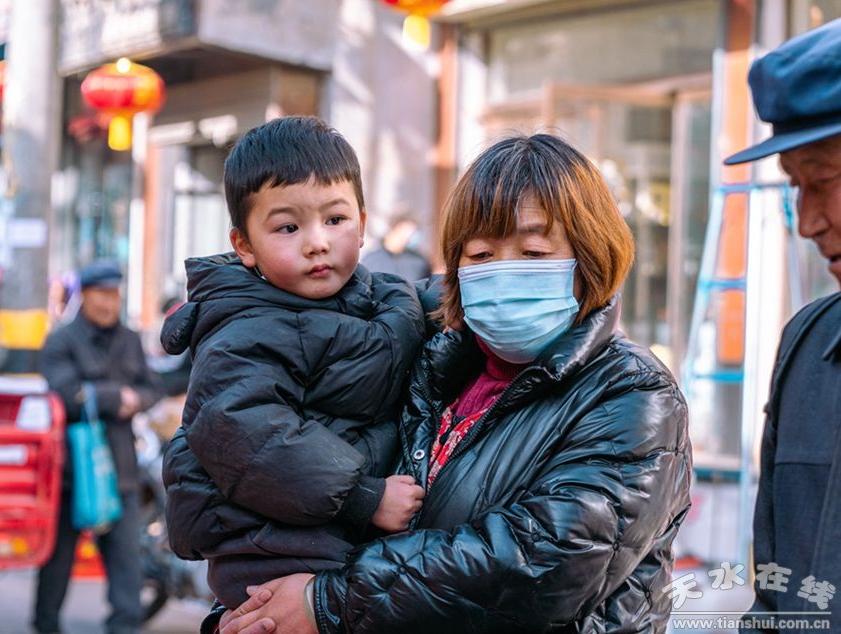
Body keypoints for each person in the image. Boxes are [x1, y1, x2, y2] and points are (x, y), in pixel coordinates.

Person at [218, 133, 693, 634]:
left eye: (533, 252)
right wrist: (255, 607)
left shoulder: (632, 393)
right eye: (481, 254)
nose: (504, 273)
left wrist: (328, 602)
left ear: (590, 257)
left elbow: (545, 560)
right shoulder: (421, 357)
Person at [160, 116, 427, 623]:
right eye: (288, 227)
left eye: (335, 219)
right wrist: (364, 497)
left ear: (363, 223)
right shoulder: (247, 328)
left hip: (322, 535)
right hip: (275, 551)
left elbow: (416, 310)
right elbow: (247, 430)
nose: (317, 242)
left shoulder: (376, 297)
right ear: (244, 246)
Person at [722, 20, 841, 632]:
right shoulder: (807, 345)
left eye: (823, 181)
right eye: (796, 186)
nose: (808, 221)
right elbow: (773, 599)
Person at [33, 260, 162, 634]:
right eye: (102, 295)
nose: (109, 303)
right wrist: (116, 397)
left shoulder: (129, 338)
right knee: (58, 560)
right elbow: (64, 393)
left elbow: (152, 388)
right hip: (71, 470)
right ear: (84, 296)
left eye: (114, 295)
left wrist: (136, 400)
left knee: (126, 561)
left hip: (120, 468)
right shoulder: (61, 341)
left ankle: (124, 627)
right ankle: (46, 625)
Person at [361, 212, 432, 281]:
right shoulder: (372, 259)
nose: (410, 237)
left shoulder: (419, 261)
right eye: (408, 231)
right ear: (396, 229)